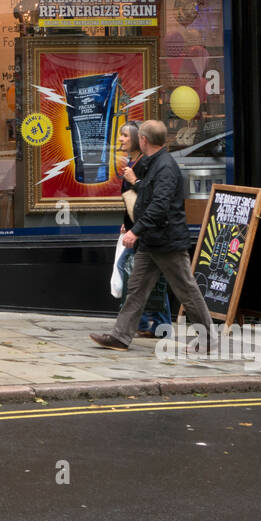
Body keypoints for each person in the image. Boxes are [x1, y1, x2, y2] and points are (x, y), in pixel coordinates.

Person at [91, 119, 214, 351]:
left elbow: (159, 206)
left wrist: (135, 231)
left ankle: (207, 339)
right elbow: (146, 193)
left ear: (143, 140)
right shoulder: (153, 163)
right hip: (152, 241)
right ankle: (120, 336)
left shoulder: (165, 166)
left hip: (167, 242)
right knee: (136, 290)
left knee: (187, 290)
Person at [113, 121, 170, 338]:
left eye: (125, 135)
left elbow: (149, 197)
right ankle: (152, 325)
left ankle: (148, 324)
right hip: (138, 228)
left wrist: (135, 228)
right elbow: (133, 201)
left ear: (139, 139)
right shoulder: (134, 161)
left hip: (146, 231)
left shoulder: (145, 164)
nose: (121, 139)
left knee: (141, 276)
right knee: (146, 278)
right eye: (121, 135)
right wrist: (127, 222)